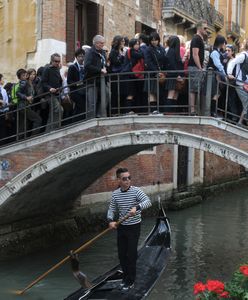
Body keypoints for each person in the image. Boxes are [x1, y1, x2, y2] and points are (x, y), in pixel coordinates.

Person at [107, 167, 152, 291]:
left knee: (131, 254)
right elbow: (111, 209)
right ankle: (125, 277)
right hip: (121, 227)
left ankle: (131, 280)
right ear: (119, 180)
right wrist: (111, 221)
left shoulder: (136, 191)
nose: (127, 181)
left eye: (129, 178)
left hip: (134, 227)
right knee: (122, 255)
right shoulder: (115, 194)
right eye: (124, 179)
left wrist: (137, 208)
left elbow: (148, 201)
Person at [84, 35, 109, 118]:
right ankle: (91, 119)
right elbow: (87, 65)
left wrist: (106, 67)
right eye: (101, 43)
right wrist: (100, 70)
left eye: (103, 43)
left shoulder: (102, 52)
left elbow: (104, 63)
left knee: (107, 95)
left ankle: (99, 114)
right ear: (96, 43)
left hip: (102, 80)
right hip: (92, 80)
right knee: (92, 101)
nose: (103, 45)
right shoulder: (89, 52)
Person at [188, 20, 208, 115]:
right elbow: (195, 54)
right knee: (193, 89)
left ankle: (194, 110)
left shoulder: (199, 39)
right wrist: (200, 68)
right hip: (194, 67)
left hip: (196, 67)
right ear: (199, 28)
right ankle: (192, 111)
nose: (206, 30)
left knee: (196, 89)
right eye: (205, 28)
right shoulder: (196, 39)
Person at [227, 39, 248, 126]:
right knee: (246, 104)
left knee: (246, 104)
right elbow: (232, 62)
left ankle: (242, 121)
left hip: (245, 84)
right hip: (240, 84)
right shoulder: (243, 55)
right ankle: (240, 122)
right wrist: (229, 73)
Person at [41, 53, 63, 131]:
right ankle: (55, 129)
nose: (57, 63)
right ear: (51, 61)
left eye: (59, 61)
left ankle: (50, 130)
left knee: (53, 113)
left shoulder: (57, 69)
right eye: (56, 61)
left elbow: (60, 81)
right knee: (59, 109)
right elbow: (43, 82)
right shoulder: (47, 69)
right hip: (49, 94)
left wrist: (60, 88)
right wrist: (50, 88)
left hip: (57, 93)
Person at [67, 48, 86, 122]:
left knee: (79, 108)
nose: (81, 58)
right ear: (76, 57)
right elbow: (69, 81)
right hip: (75, 91)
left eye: (83, 56)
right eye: (79, 56)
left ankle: (75, 121)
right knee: (81, 106)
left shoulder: (85, 67)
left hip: (83, 91)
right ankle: (75, 122)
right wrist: (78, 83)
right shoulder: (72, 67)